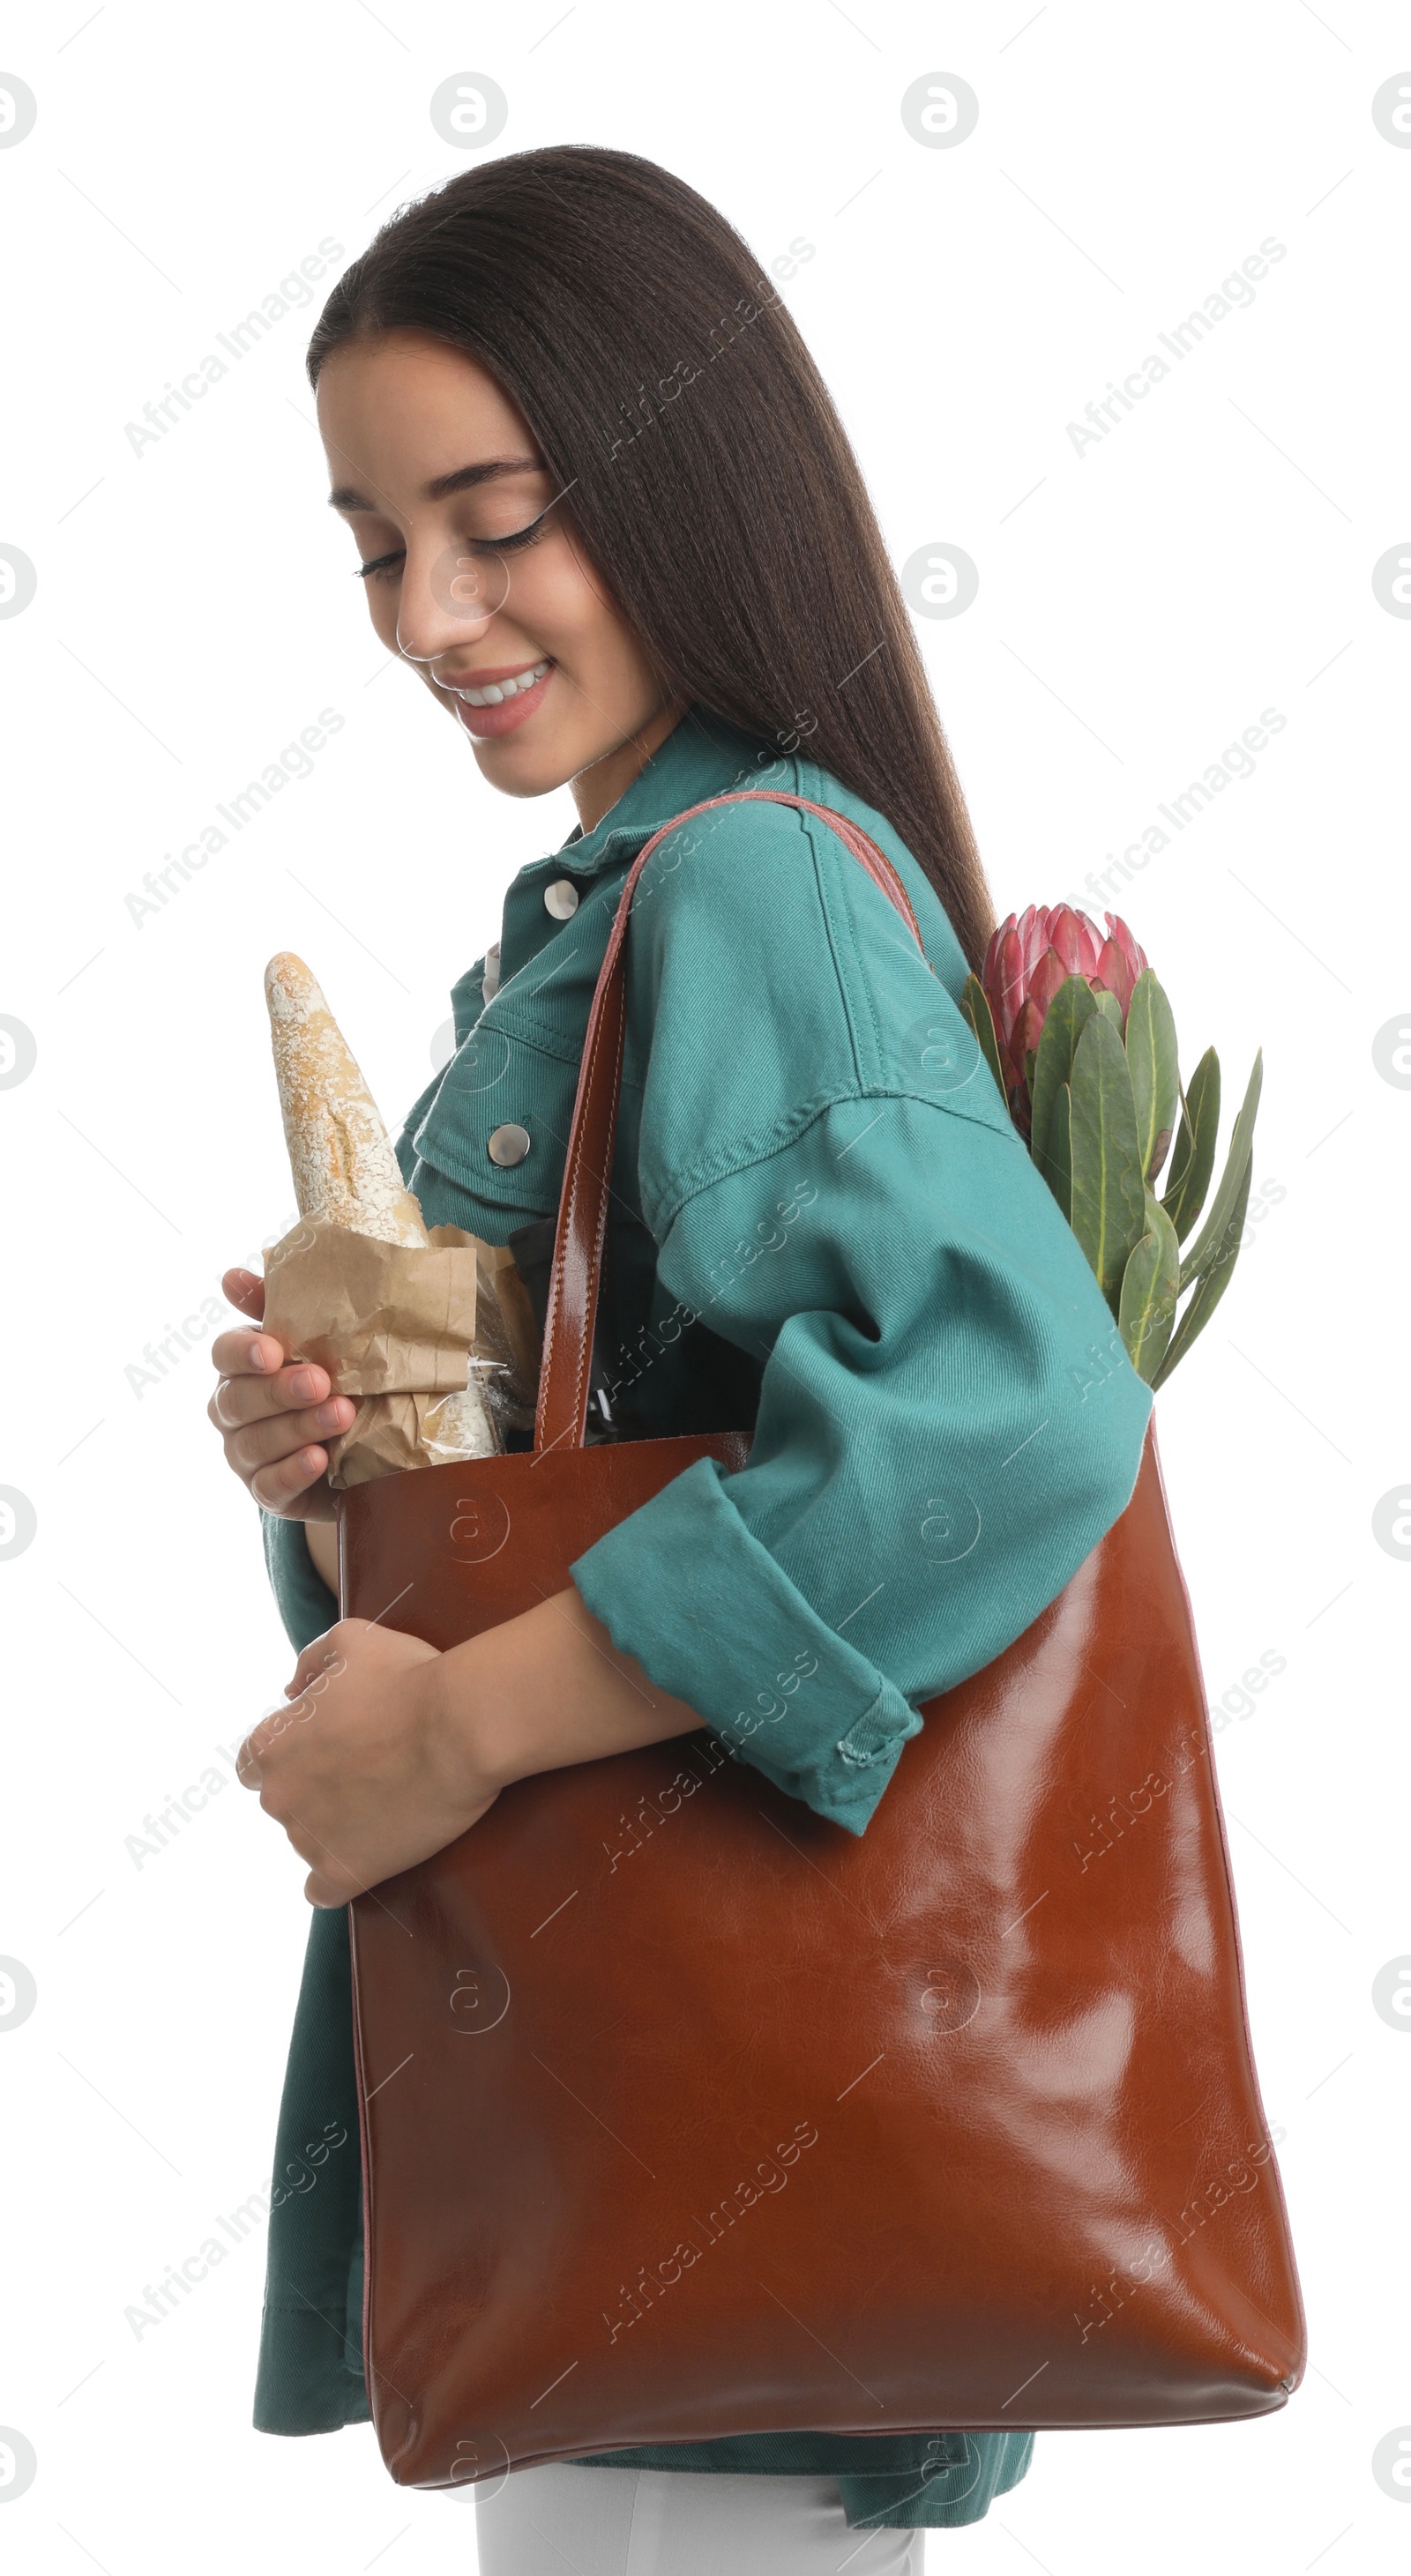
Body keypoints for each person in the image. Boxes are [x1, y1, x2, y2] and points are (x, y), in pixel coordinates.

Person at [207, 145, 1152, 2575]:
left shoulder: (742, 888)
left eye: (495, 517)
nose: (429, 612)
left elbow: (1018, 1405)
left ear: (673, 467)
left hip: (688, 2142)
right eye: (372, 543)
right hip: (645, 2134)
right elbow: (626, 1465)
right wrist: (345, 1501)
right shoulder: (627, 911)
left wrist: (463, 1720)